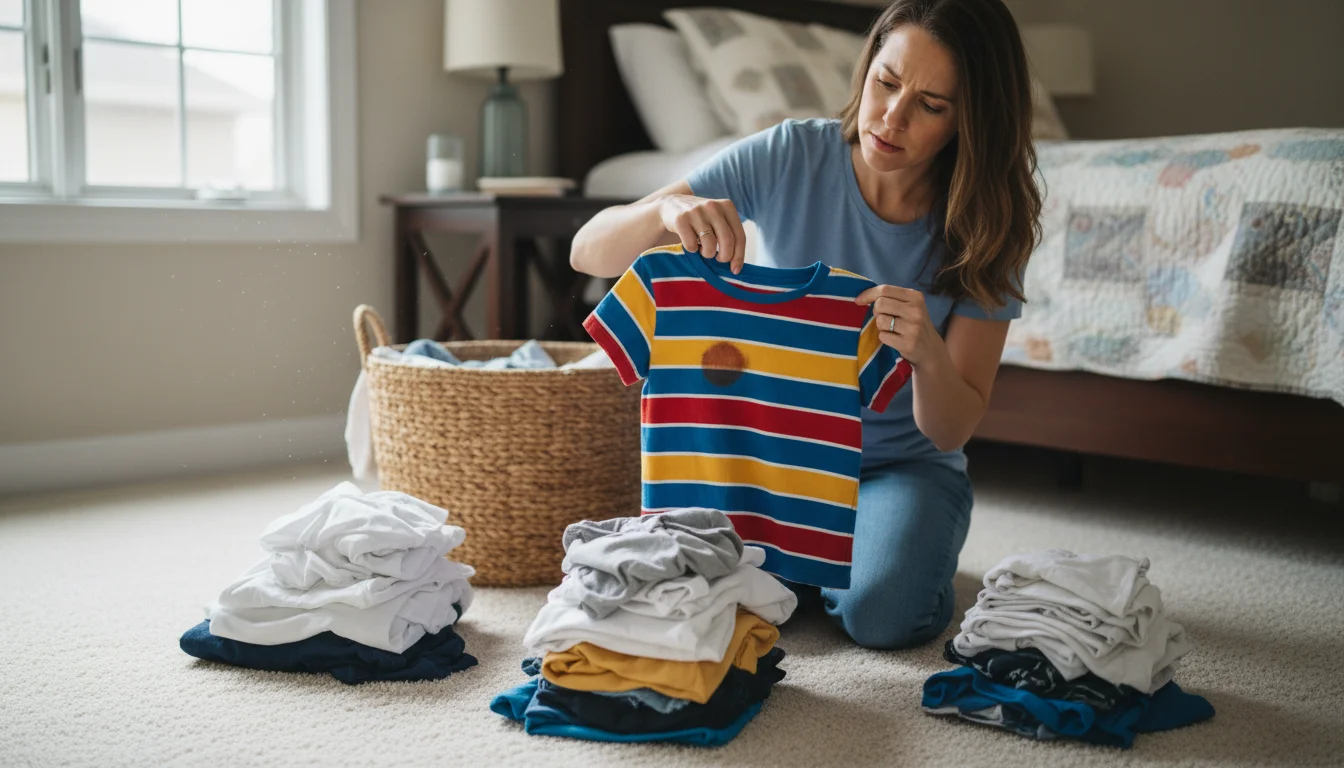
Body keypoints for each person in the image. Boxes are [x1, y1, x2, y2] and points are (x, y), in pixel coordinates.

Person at [569, 0, 1042, 649]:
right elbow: (587, 251)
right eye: (887, 81)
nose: (892, 117)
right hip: (768, 460)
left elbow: (952, 427)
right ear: (867, 64)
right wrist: (667, 212)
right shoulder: (792, 154)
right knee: (678, 586)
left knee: (882, 614)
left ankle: (884, 556)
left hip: (900, 467)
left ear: (971, 121)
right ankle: (823, 565)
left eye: (931, 105)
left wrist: (928, 356)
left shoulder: (991, 227)